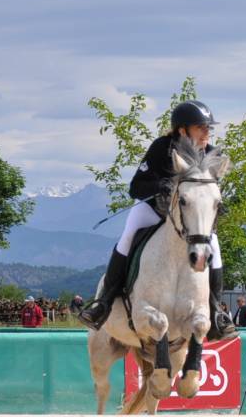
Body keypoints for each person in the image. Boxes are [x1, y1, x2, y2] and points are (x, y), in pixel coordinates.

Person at [78, 100, 236, 340]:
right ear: (182, 130)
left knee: (214, 246)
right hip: (154, 211)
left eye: (208, 128)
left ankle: (216, 312)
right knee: (129, 235)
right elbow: (135, 188)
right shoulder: (161, 148)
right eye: (201, 127)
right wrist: (159, 184)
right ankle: (104, 303)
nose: (207, 132)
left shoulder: (211, 154)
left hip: (189, 219)